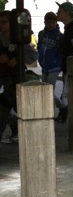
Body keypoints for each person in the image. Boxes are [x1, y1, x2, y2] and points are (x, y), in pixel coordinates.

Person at [0, 11, 39, 142]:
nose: (1, 25)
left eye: (4, 22)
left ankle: (28, 132)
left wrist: (17, 59)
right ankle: (14, 123)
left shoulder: (18, 39)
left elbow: (33, 55)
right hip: (3, 76)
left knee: (14, 105)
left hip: (14, 79)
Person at [37, 12, 64, 89]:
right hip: (44, 65)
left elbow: (61, 50)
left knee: (50, 86)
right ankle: (49, 100)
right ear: (44, 22)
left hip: (55, 65)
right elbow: (39, 46)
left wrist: (58, 61)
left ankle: (51, 100)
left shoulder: (59, 36)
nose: (51, 25)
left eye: (53, 22)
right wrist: (40, 58)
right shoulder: (41, 34)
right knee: (44, 86)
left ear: (56, 23)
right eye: (48, 22)